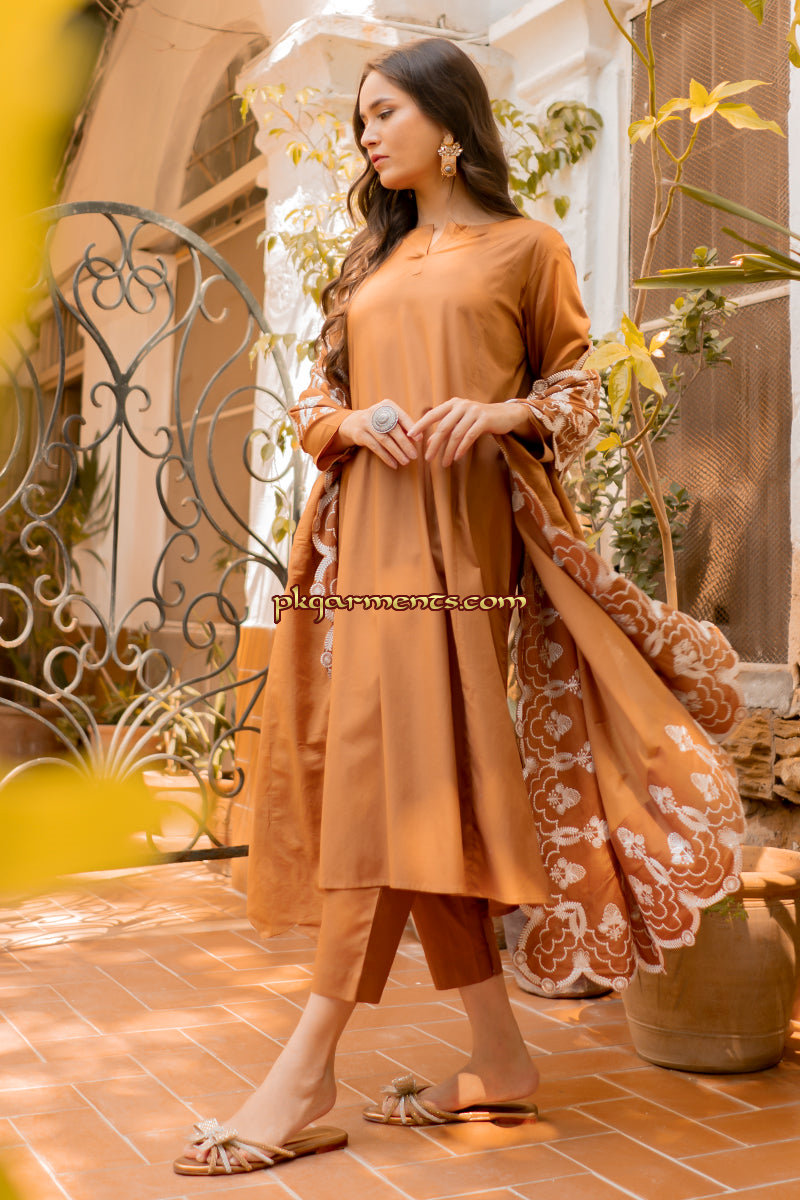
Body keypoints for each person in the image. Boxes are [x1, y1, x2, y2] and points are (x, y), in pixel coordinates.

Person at [173, 36, 745, 1179]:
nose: (366, 135)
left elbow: (575, 393)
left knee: (389, 783)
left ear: (448, 121)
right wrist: (350, 424)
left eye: (383, 112)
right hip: (368, 554)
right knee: (412, 789)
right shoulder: (367, 262)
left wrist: (496, 416)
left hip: (468, 558)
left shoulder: (528, 249)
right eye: (359, 119)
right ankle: (497, 1057)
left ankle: (306, 1071)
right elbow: (316, 398)